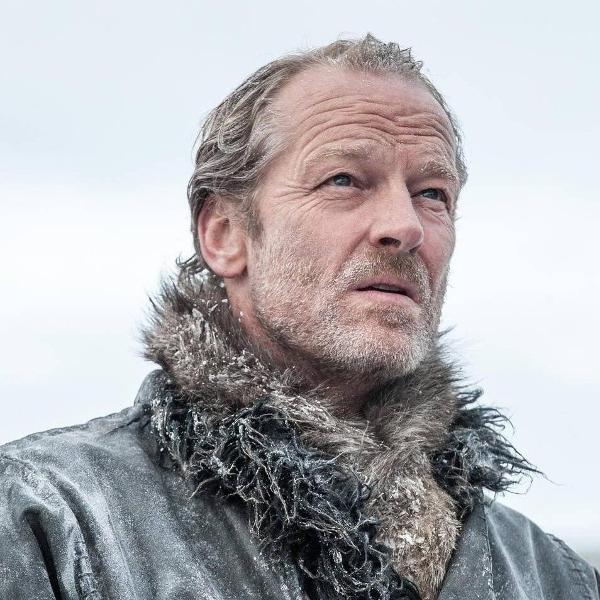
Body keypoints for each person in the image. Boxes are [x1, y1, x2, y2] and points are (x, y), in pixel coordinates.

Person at [0, 34, 597, 600]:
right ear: (224, 234)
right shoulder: (48, 521)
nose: (405, 226)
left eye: (432, 193)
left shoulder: (552, 577)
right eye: (344, 180)